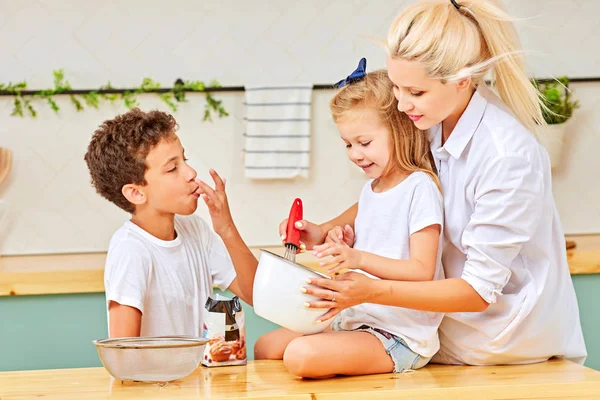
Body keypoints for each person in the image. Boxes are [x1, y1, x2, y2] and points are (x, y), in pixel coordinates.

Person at [281, 0, 587, 366]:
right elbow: (395, 193)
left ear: (462, 79)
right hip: (435, 334)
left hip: (503, 348)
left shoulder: (507, 156)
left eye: (416, 92)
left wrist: (372, 290)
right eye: (397, 87)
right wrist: (327, 229)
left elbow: (477, 291)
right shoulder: (427, 118)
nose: (402, 103)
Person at [256, 63, 445, 378]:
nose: (355, 154)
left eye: (364, 142)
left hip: (396, 335)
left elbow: (422, 271)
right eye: (348, 144)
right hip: (356, 318)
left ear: (400, 129)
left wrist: (357, 257)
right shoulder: (372, 190)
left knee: (300, 356)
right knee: (265, 347)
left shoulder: (419, 188)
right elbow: (330, 232)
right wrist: (314, 234)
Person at [84, 108, 258, 338]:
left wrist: (226, 229)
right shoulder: (131, 250)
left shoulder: (194, 229)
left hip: (198, 373)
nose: (191, 172)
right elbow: (122, 352)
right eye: (172, 168)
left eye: (184, 160)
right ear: (136, 193)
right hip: (154, 376)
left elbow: (256, 295)